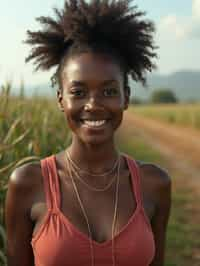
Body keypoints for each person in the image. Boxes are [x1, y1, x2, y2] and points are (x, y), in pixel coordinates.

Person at [5, 0, 171, 265]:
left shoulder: (155, 184)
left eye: (108, 91)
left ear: (125, 97)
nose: (93, 105)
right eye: (78, 92)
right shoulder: (28, 184)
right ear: (61, 99)